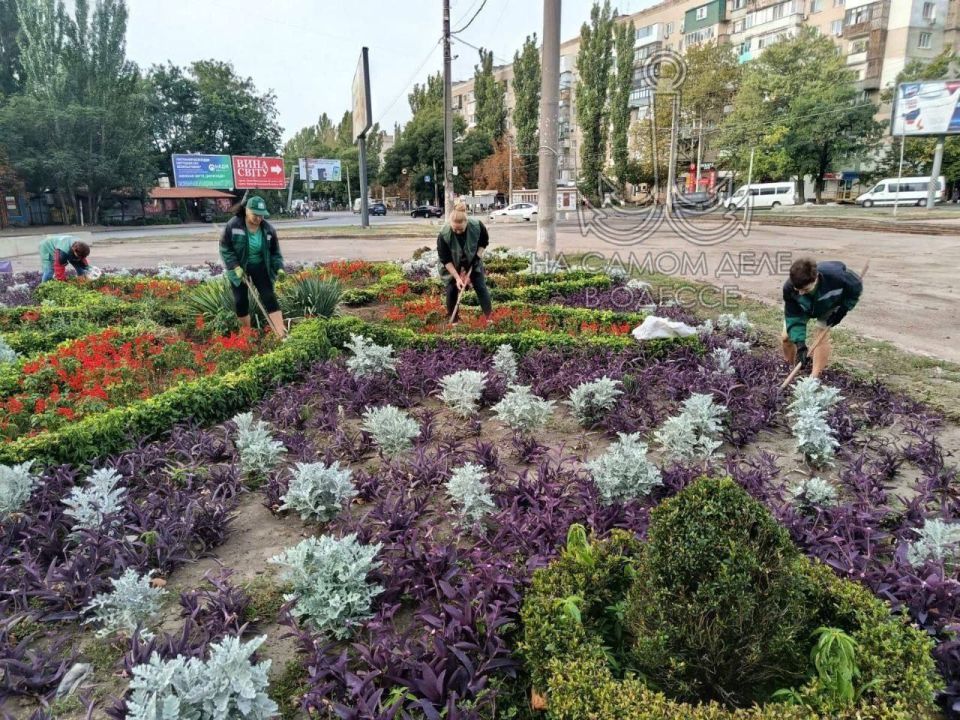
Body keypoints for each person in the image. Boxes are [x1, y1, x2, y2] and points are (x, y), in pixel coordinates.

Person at [782, 258, 863, 378]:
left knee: (820, 336)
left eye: (805, 289)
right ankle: (790, 368)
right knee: (786, 337)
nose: (801, 293)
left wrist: (843, 310)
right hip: (803, 308)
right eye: (798, 289)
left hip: (828, 304)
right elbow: (794, 318)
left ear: (816, 279)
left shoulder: (837, 277)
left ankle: (814, 378)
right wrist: (800, 344)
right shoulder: (790, 288)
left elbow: (855, 288)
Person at [219, 195, 287, 338]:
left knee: (269, 297)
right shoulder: (234, 225)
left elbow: (275, 252)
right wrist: (235, 266)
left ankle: (281, 333)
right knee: (241, 300)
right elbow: (226, 248)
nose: (259, 218)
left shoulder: (268, 229)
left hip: (260, 266)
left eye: (261, 215)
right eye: (255, 215)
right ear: (246, 210)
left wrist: (279, 267)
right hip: (239, 268)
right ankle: (246, 335)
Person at [437, 200, 493, 323]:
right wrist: (457, 278)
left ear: (466, 223)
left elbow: (484, 242)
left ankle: (489, 319)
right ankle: (454, 321)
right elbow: (445, 259)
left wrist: (477, 258)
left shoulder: (477, 226)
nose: (457, 232)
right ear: (450, 223)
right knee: (451, 289)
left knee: (480, 286)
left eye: (460, 230)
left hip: (472, 258)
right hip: (452, 262)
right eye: (455, 229)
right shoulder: (444, 234)